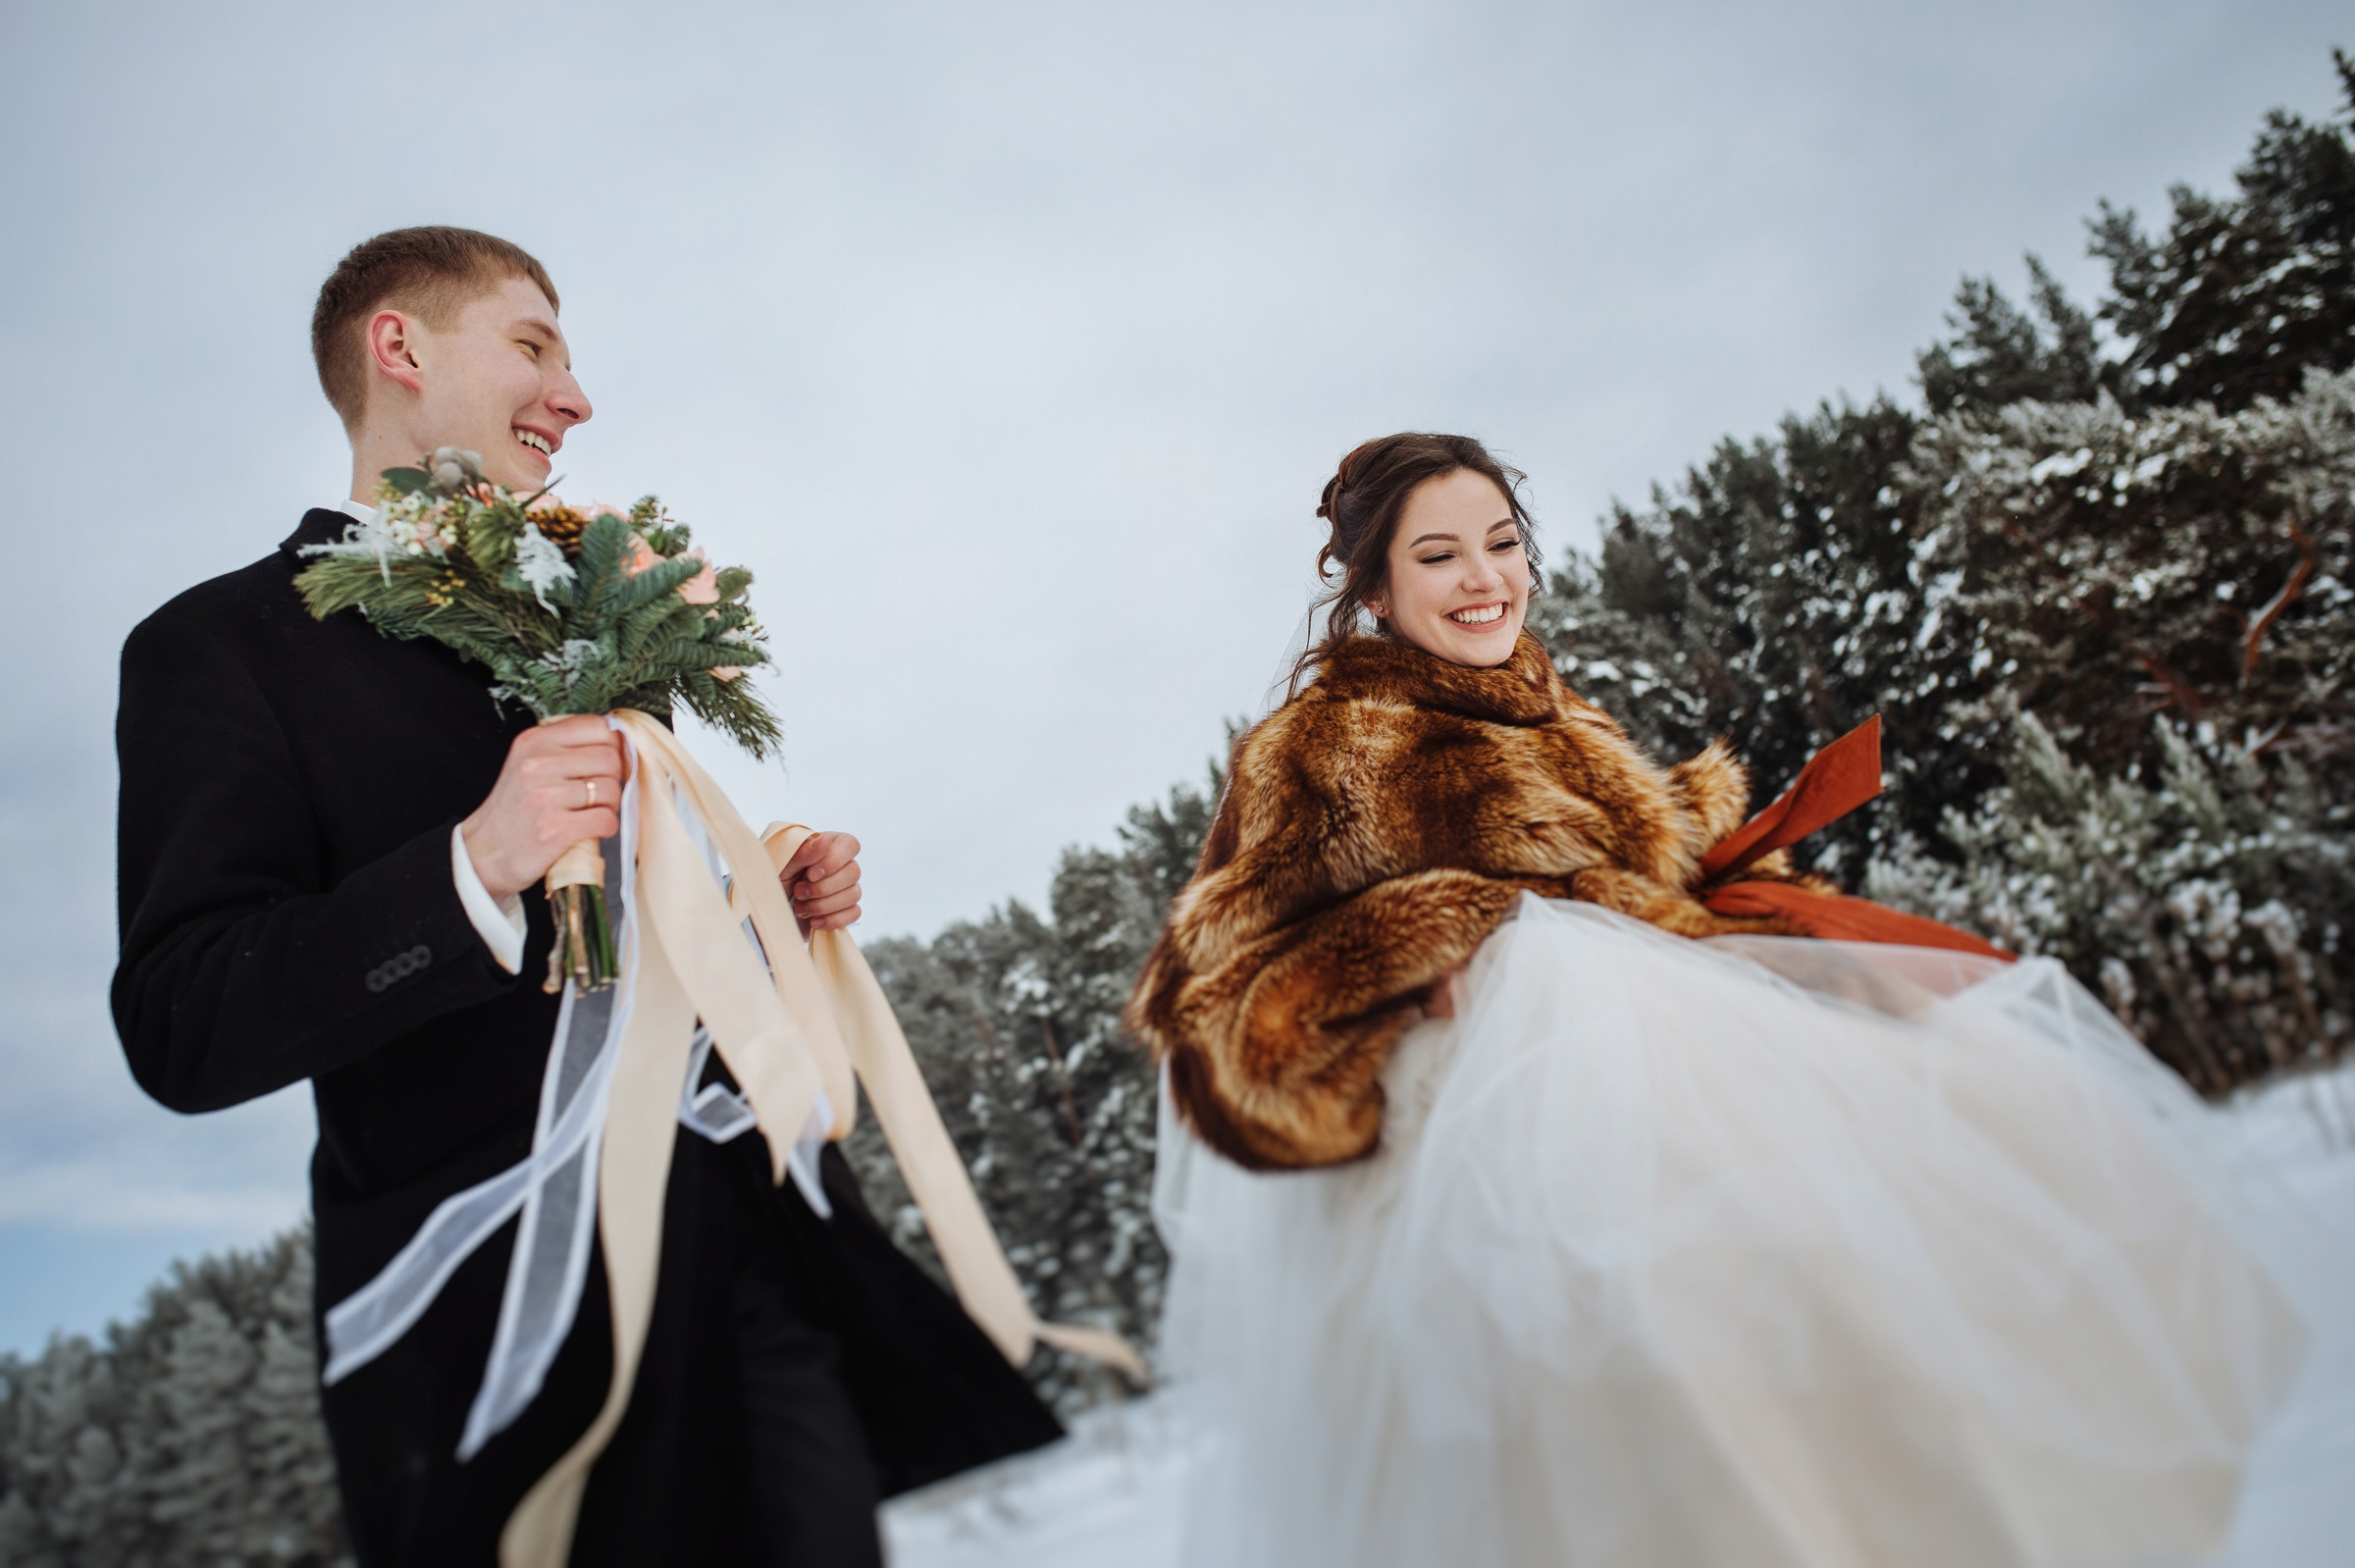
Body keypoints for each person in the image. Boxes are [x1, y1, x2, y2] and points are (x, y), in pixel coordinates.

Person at [1130, 432, 2326, 1567]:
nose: (1485, 579)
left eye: (1502, 540)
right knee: (1655, 1442)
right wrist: (1418, 954)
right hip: (1490, 1199)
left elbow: (1650, 907)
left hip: (1685, 1110)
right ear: (1376, 592)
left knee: (1864, 1352)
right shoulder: (1317, 744)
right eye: (1438, 556)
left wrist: (1807, 944)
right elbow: (1221, 1006)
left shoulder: (1558, 716)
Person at [113, 227, 1059, 1567]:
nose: (575, 396)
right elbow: (181, 1021)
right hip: (504, 1320)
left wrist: (752, 913)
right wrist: (468, 868)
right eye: (534, 345)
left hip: (752, 1255)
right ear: (400, 347)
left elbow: (623, 928)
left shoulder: (593, 629)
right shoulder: (219, 651)